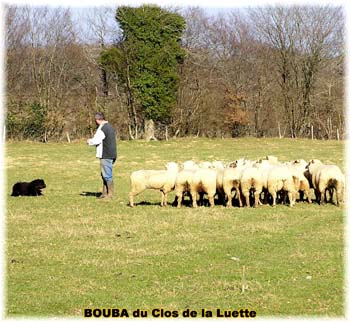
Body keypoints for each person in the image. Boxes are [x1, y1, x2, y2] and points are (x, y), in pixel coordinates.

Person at [87, 112, 117, 199]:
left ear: (97, 120)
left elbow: (96, 140)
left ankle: (109, 194)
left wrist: (89, 141)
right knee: (105, 174)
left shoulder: (102, 129)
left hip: (106, 154)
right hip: (112, 154)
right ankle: (105, 193)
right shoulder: (110, 126)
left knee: (106, 174)